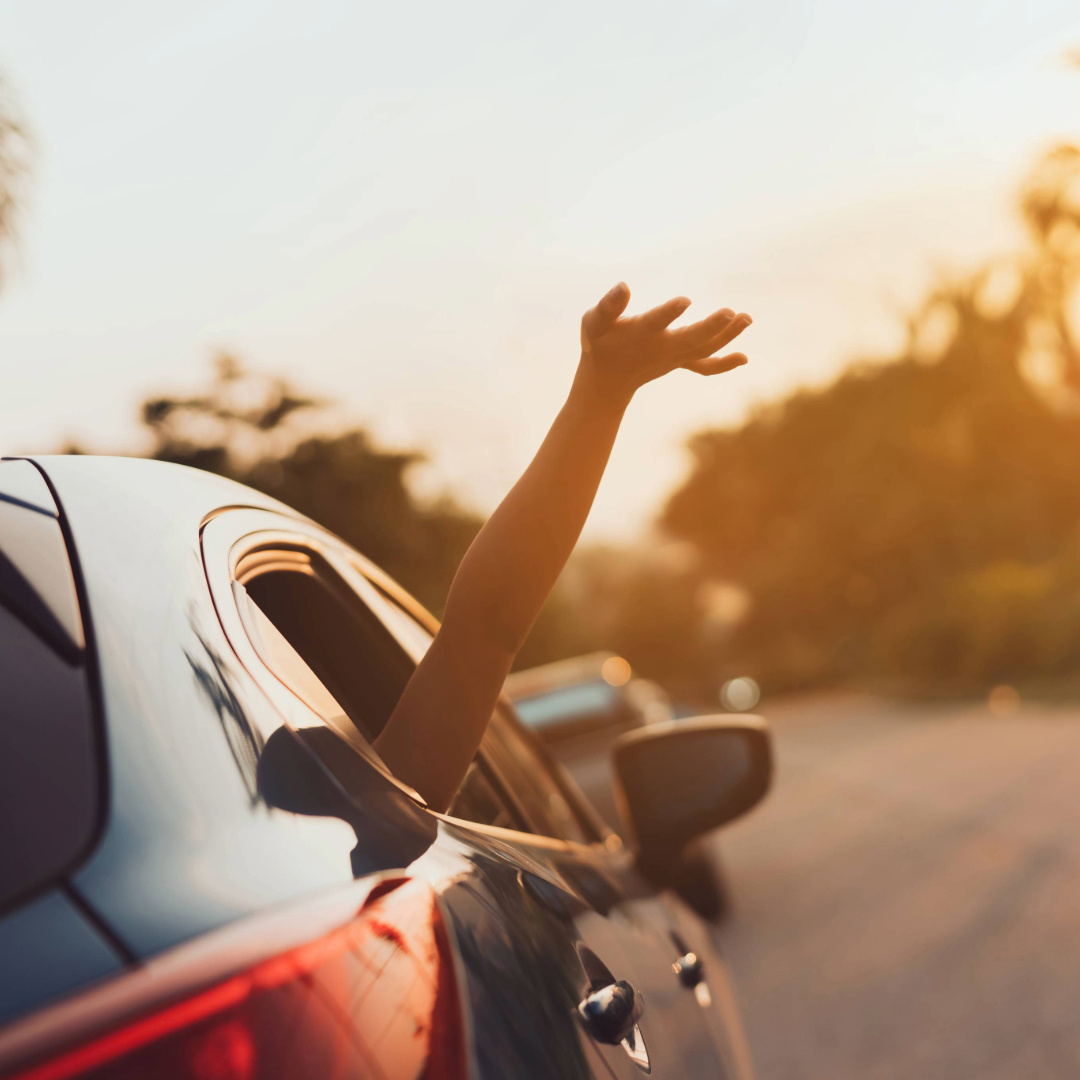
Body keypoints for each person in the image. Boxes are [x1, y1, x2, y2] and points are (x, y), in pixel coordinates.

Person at [373, 282, 752, 811]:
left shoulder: (373, 820)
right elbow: (485, 630)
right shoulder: (371, 826)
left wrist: (604, 392)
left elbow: (486, 629)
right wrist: (603, 392)